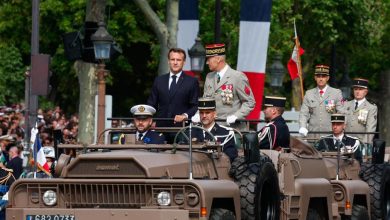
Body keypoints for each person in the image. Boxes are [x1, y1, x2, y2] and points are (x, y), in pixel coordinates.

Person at [195, 43, 255, 130]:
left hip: (233, 129)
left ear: (218, 59)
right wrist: (198, 114)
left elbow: (250, 102)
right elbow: (206, 101)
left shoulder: (237, 76)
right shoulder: (209, 77)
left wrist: (236, 116)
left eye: (209, 59)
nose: (207, 62)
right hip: (213, 129)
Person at [147, 48, 199, 128]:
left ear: (184, 62)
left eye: (178, 60)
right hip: (161, 127)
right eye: (172, 59)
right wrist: (150, 120)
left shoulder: (191, 82)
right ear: (168, 61)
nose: (175, 62)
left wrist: (185, 115)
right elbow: (151, 104)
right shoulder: (159, 80)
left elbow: (195, 105)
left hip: (181, 128)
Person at [299, 65, 344, 137]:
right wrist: (302, 126)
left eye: (323, 76)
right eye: (319, 76)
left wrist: (339, 129)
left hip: (330, 134)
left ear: (327, 78)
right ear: (315, 78)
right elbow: (304, 113)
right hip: (313, 133)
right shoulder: (309, 93)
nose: (321, 79)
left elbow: (341, 112)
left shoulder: (336, 93)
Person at [343, 78, 377, 144]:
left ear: (366, 92)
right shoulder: (345, 105)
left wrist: (364, 144)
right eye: (355, 89)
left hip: (360, 142)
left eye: (360, 89)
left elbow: (370, 128)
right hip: (344, 142)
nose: (357, 92)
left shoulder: (371, 107)